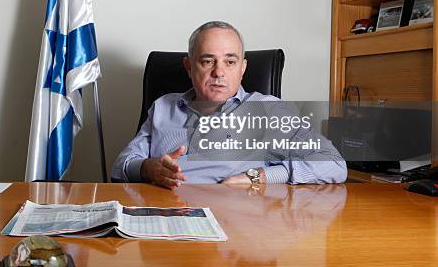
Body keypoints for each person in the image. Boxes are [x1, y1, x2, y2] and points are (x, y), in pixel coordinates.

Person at [112, 21, 347, 189]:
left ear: (243, 68)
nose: (219, 72)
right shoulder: (163, 106)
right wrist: (147, 168)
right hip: (161, 216)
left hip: (232, 229)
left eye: (230, 61)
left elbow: (334, 164)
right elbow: (122, 164)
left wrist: (260, 176)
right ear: (188, 66)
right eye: (207, 61)